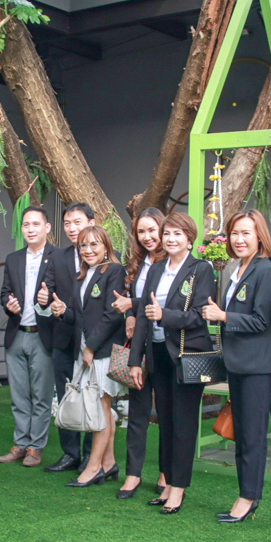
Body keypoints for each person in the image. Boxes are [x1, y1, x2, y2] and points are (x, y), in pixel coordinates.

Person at [202, 209, 271, 524]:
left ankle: (249, 498)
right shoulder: (238, 268)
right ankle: (245, 493)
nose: (239, 239)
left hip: (258, 366)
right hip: (238, 363)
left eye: (246, 233)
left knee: (252, 435)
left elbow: (262, 320)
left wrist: (223, 316)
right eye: (234, 233)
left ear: (259, 237)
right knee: (242, 432)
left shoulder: (265, 270)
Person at [128, 212, 216, 514]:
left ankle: (178, 488)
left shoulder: (201, 269)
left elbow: (199, 315)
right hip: (157, 353)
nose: (171, 239)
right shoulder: (155, 269)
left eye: (178, 233)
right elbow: (143, 316)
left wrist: (165, 316)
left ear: (189, 239)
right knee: (165, 422)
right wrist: (135, 360)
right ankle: (166, 483)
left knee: (183, 424)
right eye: (167, 233)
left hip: (186, 355)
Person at [50, 225, 126, 486]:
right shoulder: (81, 276)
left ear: (106, 247)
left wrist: (91, 347)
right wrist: (62, 311)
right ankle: (109, 463)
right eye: (83, 245)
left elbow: (112, 314)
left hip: (101, 352)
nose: (88, 250)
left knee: (101, 409)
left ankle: (93, 468)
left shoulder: (114, 271)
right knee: (103, 409)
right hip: (85, 352)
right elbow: (79, 317)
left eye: (95, 244)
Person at [110, 207, 167, 498]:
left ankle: (166, 473)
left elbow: (159, 301)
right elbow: (132, 301)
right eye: (141, 231)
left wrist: (132, 305)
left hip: (167, 346)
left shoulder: (173, 261)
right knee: (137, 413)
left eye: (152, 230)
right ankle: (132, 474)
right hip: (141, 347)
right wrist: (130, 315)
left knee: (168, 415)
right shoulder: (137, 263)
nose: (147, 237)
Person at [0, 206, 57, 466]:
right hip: (17, 334)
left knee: (41, 397)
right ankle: (20, 444)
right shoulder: (13, 259)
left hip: (43, 336)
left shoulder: (59, 257)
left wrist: (48, 299)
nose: (30, 229)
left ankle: (35, 448)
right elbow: (4, 293)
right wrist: (8, 304)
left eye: (35, 224)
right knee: (19, 396)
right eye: (26, 225)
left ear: (47, 227)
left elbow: (64, 295)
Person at [39, 203, 95, 473]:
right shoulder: (57, 257)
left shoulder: (107, 256)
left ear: (92, 223)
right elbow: (47, 290)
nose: (72, 228)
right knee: (65, 396)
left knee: (93, 396)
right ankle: (70, 453)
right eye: (68, 223)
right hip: (63, 337)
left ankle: (91, 455)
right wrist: (44, 299)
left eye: (78, 222)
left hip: (94, 340)